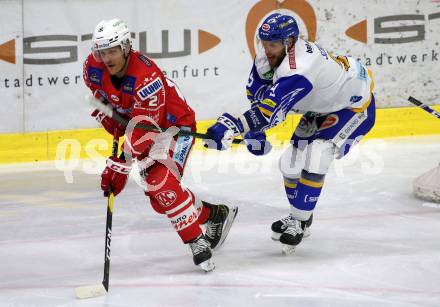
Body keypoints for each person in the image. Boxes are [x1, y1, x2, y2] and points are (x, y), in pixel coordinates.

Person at [204, 13, 375, 254]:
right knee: (289, 164)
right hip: (320, 109)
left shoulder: (301, 67)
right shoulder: (267, 57)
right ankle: (300, 216)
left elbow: (269, 113)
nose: (266, 49)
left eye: (272, 44)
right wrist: (256, 133)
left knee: (317, 155)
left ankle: (300, 220)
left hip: (354, 108)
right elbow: (259, 99)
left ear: (289, 41)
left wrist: (233, 125)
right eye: (263, 43)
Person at [83, 19, 238, 271]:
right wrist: (109, 118)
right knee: (160, 200)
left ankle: (195, 241)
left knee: (161, 183)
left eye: (112, 51)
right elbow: (98, 98)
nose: (107, 58)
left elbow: (146, 133)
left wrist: (120, 165)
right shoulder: (92, 66)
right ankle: (215, 215)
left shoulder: (147, 78)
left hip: (174, 127)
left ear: (125, 48)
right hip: (143, 125)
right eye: (102, 52)